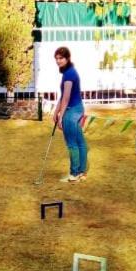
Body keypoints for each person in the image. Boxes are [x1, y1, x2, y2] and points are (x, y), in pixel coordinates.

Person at [52, 46, 88, 182]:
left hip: (72, 110)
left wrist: (61, 117)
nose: (58, 61)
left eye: (61, 58)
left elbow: (66, 98)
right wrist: (56, 111)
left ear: (67, 58)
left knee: (72, 143)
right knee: (80, 142)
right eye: (56, 59)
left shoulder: (69, 75)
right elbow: (63, 96)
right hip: (77, 108)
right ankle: (82, 172)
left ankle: (74, 174)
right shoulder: (69, 72)